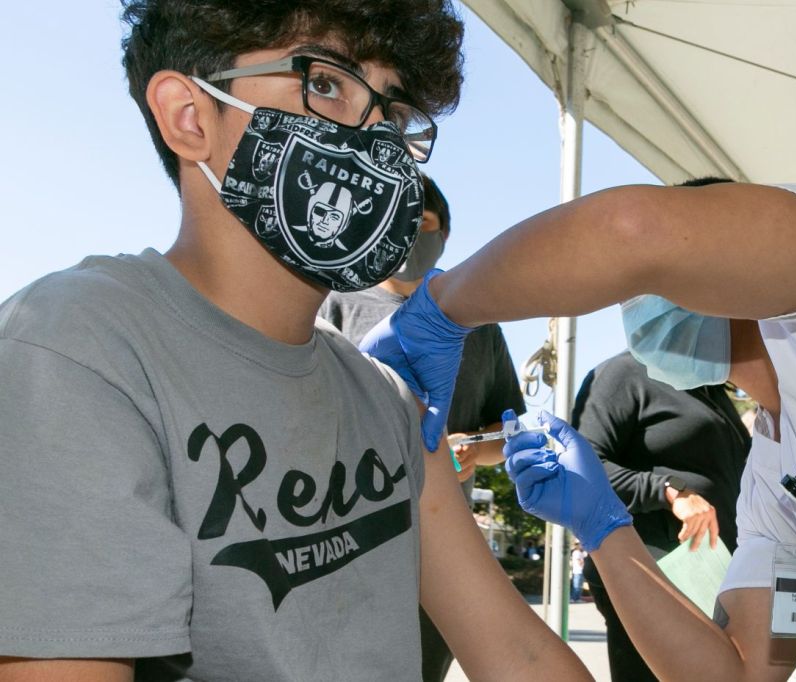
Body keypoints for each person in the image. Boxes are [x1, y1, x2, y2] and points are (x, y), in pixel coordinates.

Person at [0, 2, 593, 681]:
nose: (373, 140)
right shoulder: (75, 351)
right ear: (190, 116)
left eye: (393, 113)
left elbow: (515, 651)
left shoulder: (384, 397)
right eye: (327, 83)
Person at [360, 175, 796, 682]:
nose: (634, 307)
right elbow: (740, 674)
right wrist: (606, 530)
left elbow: (632, 229)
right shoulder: (780, 486)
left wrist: (442, 308)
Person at [318, 173, 526, 682]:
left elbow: (510, 431)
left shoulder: (478, 324)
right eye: (395, 219)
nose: (409, 233)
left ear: (445, 233)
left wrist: (474, 449)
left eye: (423, 222)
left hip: (442, 549)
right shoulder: (333, 305)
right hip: (348, 543)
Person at [572, 349, 750, 680]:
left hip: (714, 580)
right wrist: (670, 490)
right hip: (649, 576)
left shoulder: (709, 386)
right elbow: (580, 469)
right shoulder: (623, 374)